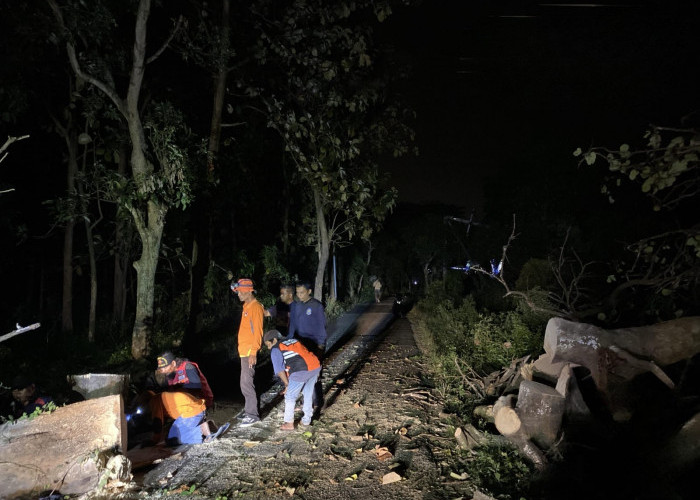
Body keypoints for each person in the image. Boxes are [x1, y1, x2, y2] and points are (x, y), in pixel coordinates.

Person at [149, 351, 227, 445]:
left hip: (200, 401)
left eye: (165, 367)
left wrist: (180, 390)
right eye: (161, 368)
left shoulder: (188, 367)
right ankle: (205, 427)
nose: (163, 371)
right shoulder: (170, 375)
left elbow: (197, 388)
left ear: (173, 363)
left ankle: (201, 431)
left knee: (173, 439)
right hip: (188, 406)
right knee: (172, 433)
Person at [263, 329, 321, 430]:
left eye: (268, 344)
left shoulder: (276, 349)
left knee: (290, 396)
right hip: (315, 366)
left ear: (274, 340)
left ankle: (289, 423)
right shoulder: (293, 340)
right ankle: (306, 420)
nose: (268, 348)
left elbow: (280, 370)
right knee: (308, 393)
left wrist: (287, 384)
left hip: (301, 370)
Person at [287, 280, 327, 409]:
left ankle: (317, 401)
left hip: (315, 344)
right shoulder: (297, 306)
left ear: (309, 291)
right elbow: (293, 325)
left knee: (315, 373)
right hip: (301, 344)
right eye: (297, 292)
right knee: (303, 371)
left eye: (302, 292)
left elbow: (321, 327)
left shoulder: (316, 306)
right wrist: (290, 341)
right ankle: (306, 400)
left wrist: (321, 346)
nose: (299, 295)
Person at [232, 277, 265, 427]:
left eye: (240, 292)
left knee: (246, 382)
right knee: (244, 382)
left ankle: (252, 415)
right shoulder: (246, 306)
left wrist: (253, 352)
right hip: (244, 351)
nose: (238, 294)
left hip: (249, 352)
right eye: (237, 292)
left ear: (248, 291)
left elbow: (258, 331)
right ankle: (248, 411)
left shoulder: (255, 307)